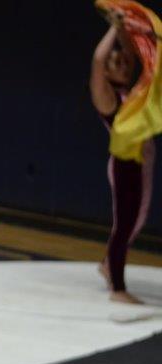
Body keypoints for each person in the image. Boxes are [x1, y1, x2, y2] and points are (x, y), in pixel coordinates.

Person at [90, 9, 155, 304]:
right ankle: (117, 287)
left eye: (125, 63)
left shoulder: (131, 93)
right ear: (106, 73)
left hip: (141, 162)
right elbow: (98, 59)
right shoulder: (106, 97)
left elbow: (131, 55)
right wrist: (114, 28)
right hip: (126, 165)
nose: (124, 65)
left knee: (136, 221)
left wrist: (127, 29)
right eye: (117, 63)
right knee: (125, 225)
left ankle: (108, 264)